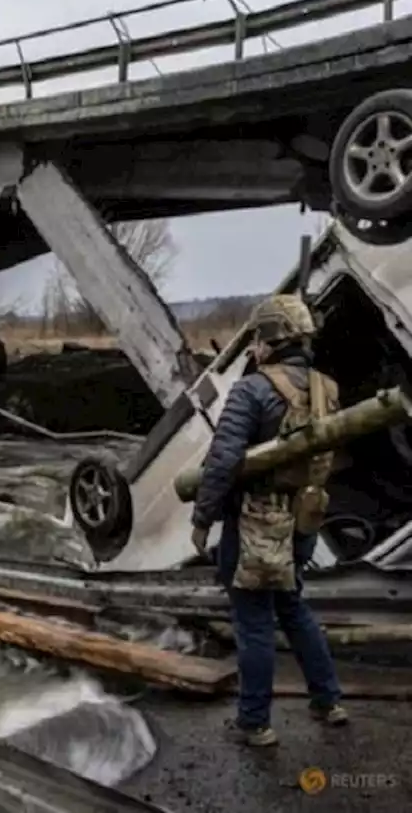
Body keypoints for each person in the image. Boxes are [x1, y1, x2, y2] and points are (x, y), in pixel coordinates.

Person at [190, 294, 348, 747]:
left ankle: (254, 723)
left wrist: (203, 519)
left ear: (272, 339)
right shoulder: (328, 389)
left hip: (258, 521)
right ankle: (328, 700)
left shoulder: (252, 389)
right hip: (304, 517)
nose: (255, 346)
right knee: (294, 605)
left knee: (253, 619)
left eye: (258, 337)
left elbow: (223, 461)